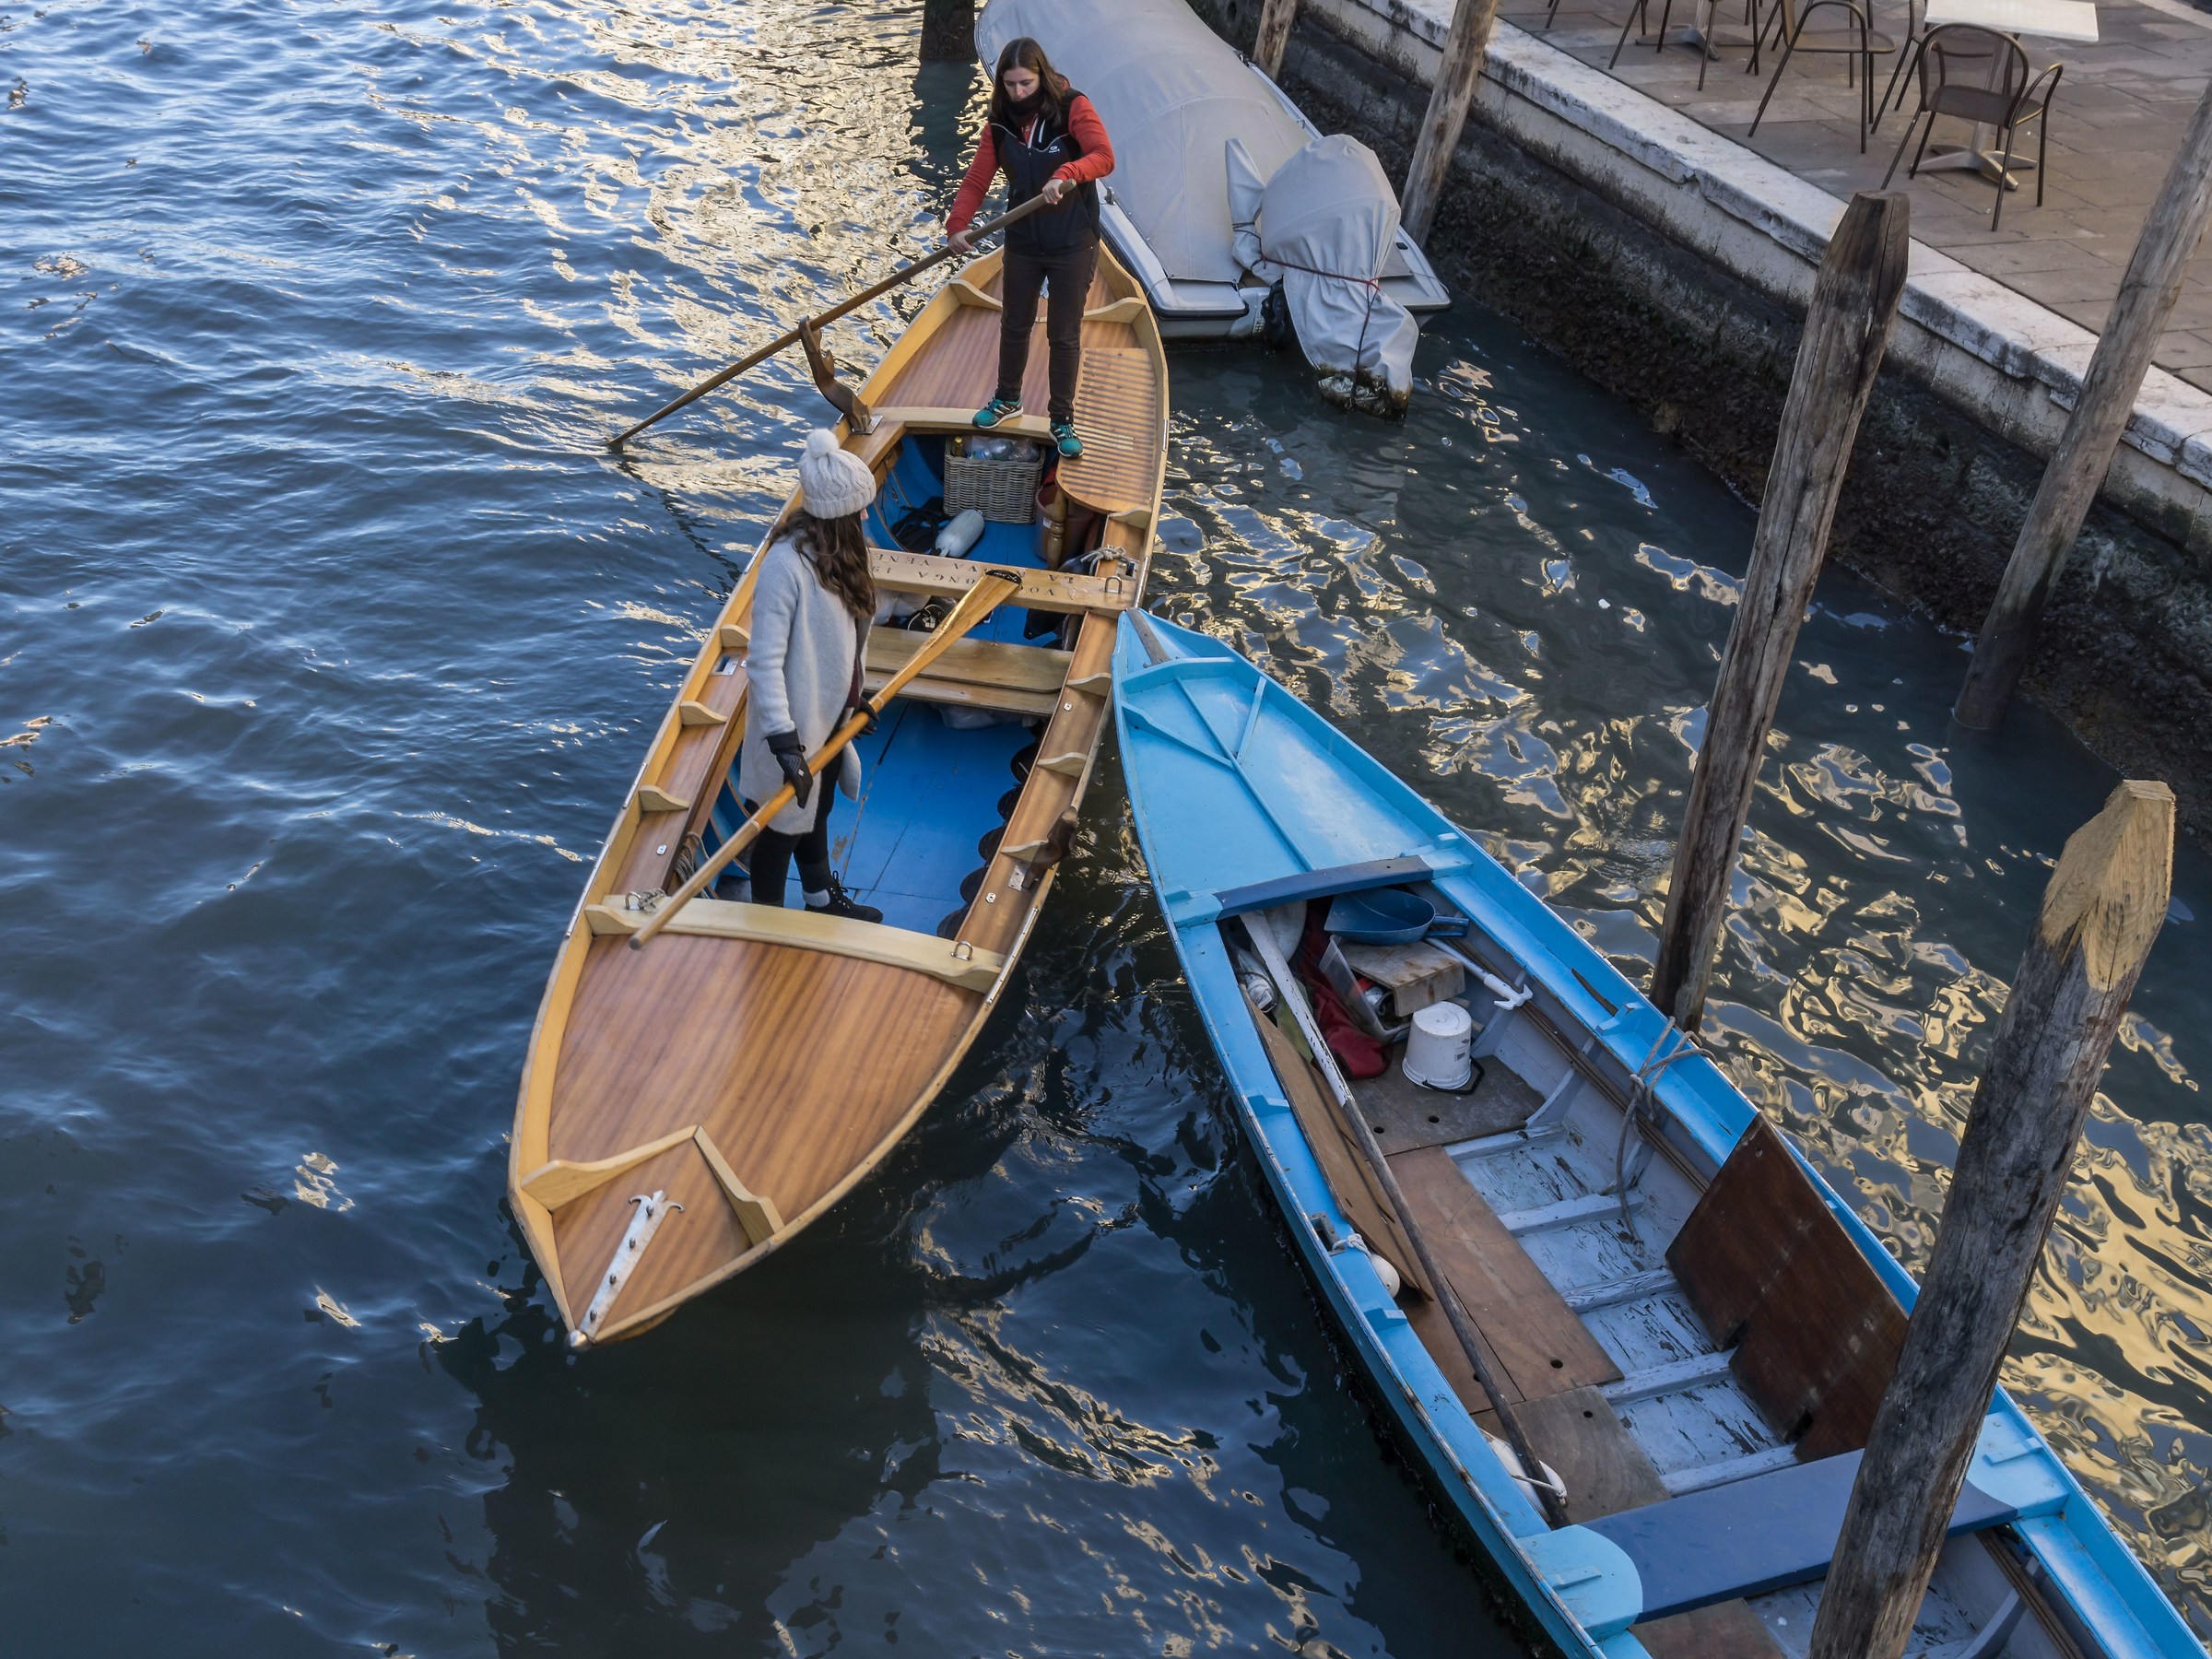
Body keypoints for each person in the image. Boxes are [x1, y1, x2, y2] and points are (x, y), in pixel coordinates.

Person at [736, 429, 884, 923]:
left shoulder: (843, 555)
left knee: (817, 810)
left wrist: (857, 699)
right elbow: (764, 663)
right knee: (780, 832)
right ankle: (767, 923)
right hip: (794, 729)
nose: (867, 517)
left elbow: (845, 641)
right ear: (837, 516)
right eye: (860, 510)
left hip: (830, 718)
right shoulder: (784, 566)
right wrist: (784, 743)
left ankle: (821, 899)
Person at [945, 36, 1115, 461]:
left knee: (1063, 333)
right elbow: (976, 180)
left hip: (1072, 241)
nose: (1018, 92)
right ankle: (1008, 398)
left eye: (1026, 83)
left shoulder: (1073, 107)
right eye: (1010, 85)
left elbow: (1103, 156)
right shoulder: (999, 124)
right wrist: (957, 225)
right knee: (1014, 324)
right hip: (1023, 238)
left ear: (1042, 76)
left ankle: (1062, 418)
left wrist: (1068, 172)